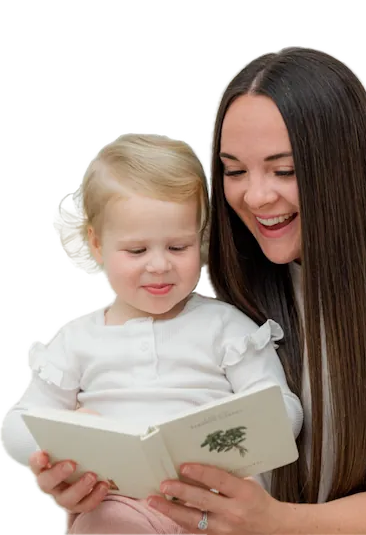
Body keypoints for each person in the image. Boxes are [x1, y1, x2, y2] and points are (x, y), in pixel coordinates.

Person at [13, 46, 366, 534]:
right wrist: (71, 467)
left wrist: (269, 521)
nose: (256, 197)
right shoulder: (208, 271)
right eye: (234, 170)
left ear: (344, 167)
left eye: (284, 170)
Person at [0, 132, 303, 534]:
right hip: (119, 505)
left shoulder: (227, 327)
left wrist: (228, 430)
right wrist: (67, 440)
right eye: (137, 251)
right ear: (96, 243)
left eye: (178, 247)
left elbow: (285, 408)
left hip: (215, 505)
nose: (159, 265)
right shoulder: (78, 342)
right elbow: (17, 425)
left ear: (201, 237)